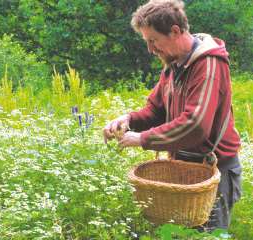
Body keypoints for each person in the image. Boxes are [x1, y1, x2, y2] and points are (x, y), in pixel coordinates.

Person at [103, 0, 242, 231]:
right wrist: (127, 120)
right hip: (183, 168)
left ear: (175, 31)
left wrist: (142, 139)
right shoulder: (173, 65)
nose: (150, 49)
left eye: (153, 40)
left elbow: (195, 125)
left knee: (209, 235)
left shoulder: (208, 65)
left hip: (215, 171)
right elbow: (155, 110)